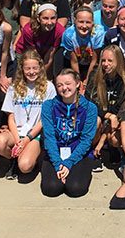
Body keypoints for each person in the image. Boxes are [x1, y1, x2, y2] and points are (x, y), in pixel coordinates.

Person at [0, 49, 57, 179]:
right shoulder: (14, 87)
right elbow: (11, 117)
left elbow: (45, 119)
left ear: (40, 67)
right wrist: (18, 141)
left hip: (35, 134)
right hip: (16, 132)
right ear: (22, 69)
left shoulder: (49, 87)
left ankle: (28, 159)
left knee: (25, 166)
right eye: (27, 68)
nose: (31, 72)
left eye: (35, 68)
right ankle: (13, 159)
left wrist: (27, 139)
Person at [39, 69, 98, 197]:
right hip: (55, 152)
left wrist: (68, 163)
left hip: (79, 152)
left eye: (68, 83)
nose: (64, 88)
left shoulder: (90, 108)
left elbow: (86, 140)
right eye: (59, 85)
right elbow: (49, 137)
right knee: (51, 189)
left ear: (77, 83)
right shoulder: (48, 106)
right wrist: (58, 164)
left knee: (76, 189)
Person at [86, 46, 125, 168]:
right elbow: (89, 103)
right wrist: (108, 115)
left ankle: (112, 147)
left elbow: (122, 110)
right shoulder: (94, 76)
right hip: (100, 117)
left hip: (115, 121)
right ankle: (91, 150)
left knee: (115, 136)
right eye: (103, 60)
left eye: (110, 61)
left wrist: (103, 139)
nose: (105, 64)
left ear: (118, 61)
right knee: (95, 121)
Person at [15, 3, 65, 79]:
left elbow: (49, 55)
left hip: (45, 53)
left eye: (53, 18)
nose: (49, 22)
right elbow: (33, 55)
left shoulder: (60, 31)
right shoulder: (28, 30)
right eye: (45, 18)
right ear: (38, 18)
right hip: (25, 52)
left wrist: (41, 76)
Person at [61, 6, 106, 82]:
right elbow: (74, 61)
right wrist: (78, 80)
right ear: (75, 21)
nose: (84, 26)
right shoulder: (68, 34)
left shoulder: (98, 33)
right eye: (81, 22)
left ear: (92, 22)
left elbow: (95, 59)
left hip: (91, 63)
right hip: (73, 62)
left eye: (88, 22)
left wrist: (87, 80)